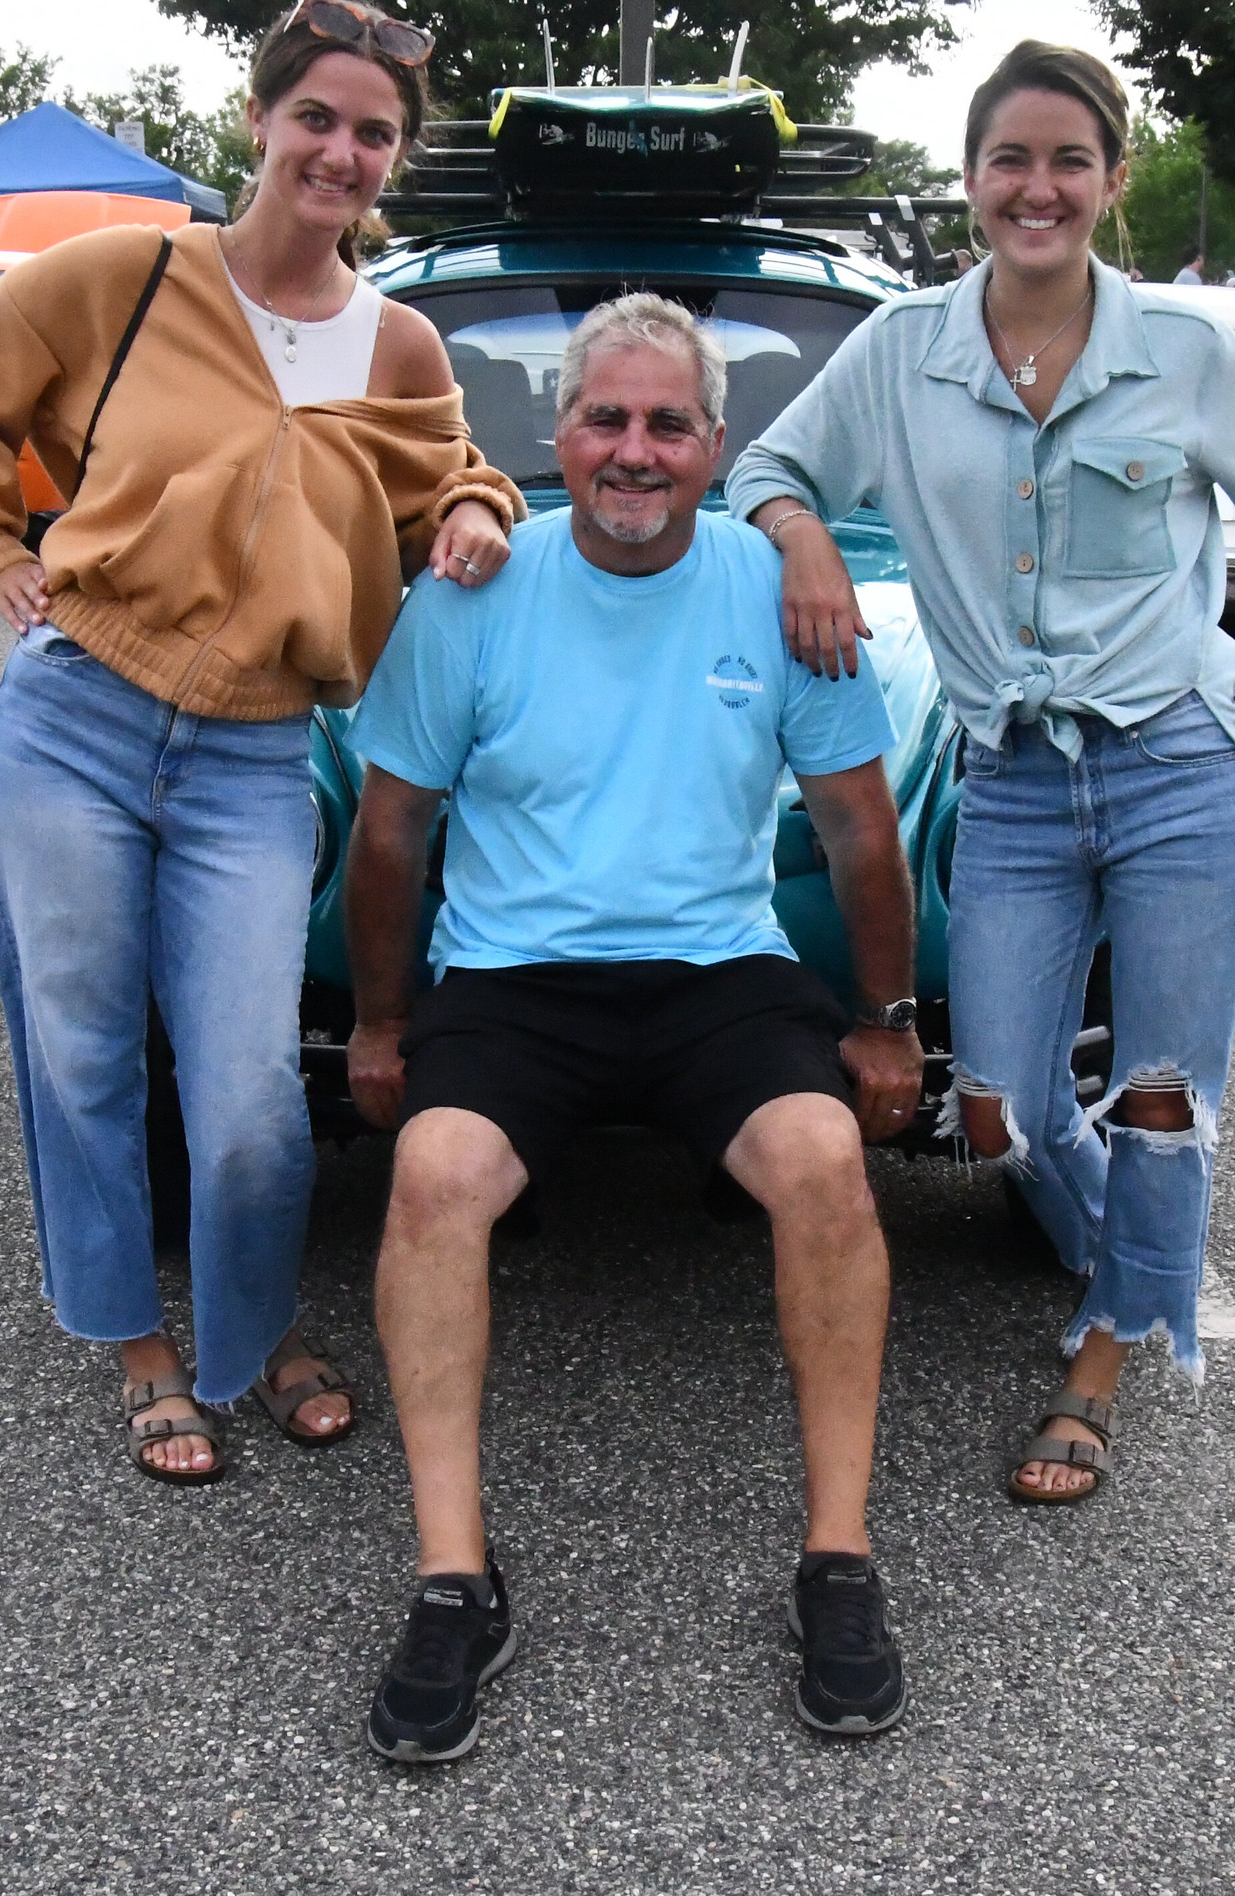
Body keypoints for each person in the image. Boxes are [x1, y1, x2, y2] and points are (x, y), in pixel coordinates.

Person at [0, 0, 524, 1485]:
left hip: (255, 751)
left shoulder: (400, 340)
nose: (342, 150)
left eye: (374, 132)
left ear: (395, 161)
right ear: (259, 121)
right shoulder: (126, 278)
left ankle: (254, 1335)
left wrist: (482, 514)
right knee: (85, 1053)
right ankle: (140, 1347)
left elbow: (457, 475)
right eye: (317, 117)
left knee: (246, 1090)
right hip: (82, 715)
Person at [730, 38, 1235, 1505]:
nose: (1038, 187)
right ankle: (1127, 1248)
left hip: (1179, 771)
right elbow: (769, 468)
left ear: (1112, 182)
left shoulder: (1182, 351)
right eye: (1011, 158)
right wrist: (806, 535)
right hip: (1007, 781)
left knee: (1160, 1092)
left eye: (1070, 160)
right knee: (998, 1099)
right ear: (969, 180)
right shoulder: (900, 348)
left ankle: (1104, 1359)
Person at [345, 293, 922, 1759]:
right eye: (608, 417)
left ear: (718, 447)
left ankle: (839, 1563)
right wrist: (377, 1027)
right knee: (430, 1183)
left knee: (824, 1170)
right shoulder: (474, 591)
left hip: (714, 970)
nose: (635, 450)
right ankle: (453, 1581)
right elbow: (392, 832)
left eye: (670, 424)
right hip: (517, 981)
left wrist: (887, 1024)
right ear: (559, 435)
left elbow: (860, 834)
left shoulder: (785, 591)